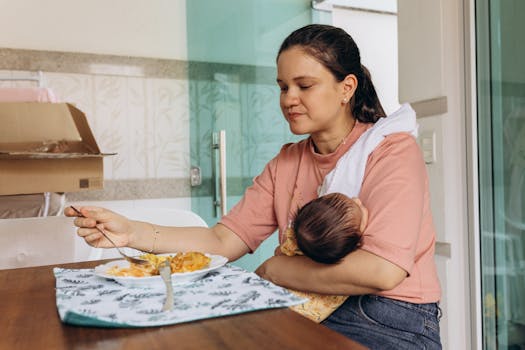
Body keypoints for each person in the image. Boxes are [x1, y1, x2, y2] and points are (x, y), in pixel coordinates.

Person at [66, 24, 442, 348]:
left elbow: (382, 271)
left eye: (304, 85)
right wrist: (130, 231)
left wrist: (278, 271)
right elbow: (221, 241)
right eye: (282, 87)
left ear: (347, 88)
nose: (288, 100)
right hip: (304, 304)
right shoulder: (288, 162)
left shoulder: (390, 151)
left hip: (391, 316)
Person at [281, 192, 367, 323]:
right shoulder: (352, 256)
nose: (357, 200)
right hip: (300, 318)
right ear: (356, 241)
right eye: (358, 206)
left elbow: (281, 251)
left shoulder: (297, 243)